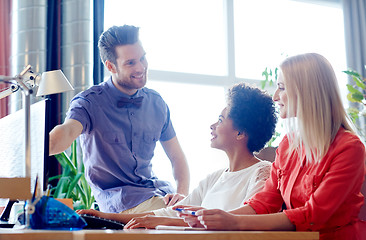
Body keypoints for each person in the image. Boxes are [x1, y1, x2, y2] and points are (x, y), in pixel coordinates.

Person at [175, 53, 366, 240]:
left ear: (306, 92)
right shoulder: (288, 145)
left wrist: (233, 222)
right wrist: (216, 219)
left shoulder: (350, 148)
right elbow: (264, 203)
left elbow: (313, 216)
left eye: (281, 88)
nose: (275, 96)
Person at [76, 82, 278, 229]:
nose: (212, 125)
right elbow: (170, 212)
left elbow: (244, 222)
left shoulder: (262, 172)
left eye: (220, 119)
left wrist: (162, 221)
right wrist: (103, 216)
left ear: (240, 133)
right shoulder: (214, 178)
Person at [49, 25, 190, 213]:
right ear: (110, 66)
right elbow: (67, 131)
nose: (141, 67)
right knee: (177, 218)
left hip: (158, 194)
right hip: (120, 202)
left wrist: (181, 194)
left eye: (142, 58)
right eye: (130, 63)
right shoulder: (89, 103)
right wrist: (41, 145)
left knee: (206, 211)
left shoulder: (157, 103)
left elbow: (177, 156)